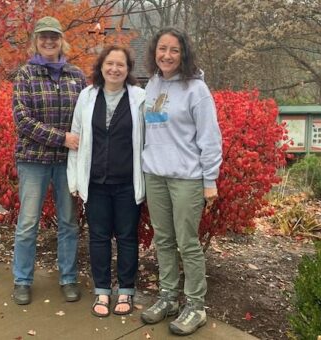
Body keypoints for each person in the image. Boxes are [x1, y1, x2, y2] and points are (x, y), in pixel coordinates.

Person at [139, 27, 222, 336]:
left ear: (183, 53)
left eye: (174, 50)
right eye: (162, 49)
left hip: (187, 177)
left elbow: (210, 138)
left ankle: (196, 306)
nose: (167, 55)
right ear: (154, 52)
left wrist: (209, 179)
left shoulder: (196, 89)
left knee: (187, 242)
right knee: (163, 239)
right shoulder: (152, 84)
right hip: (155, 174)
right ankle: (168, 297)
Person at [11, 16, 86, 306]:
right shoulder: (25, 75)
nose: (49, 41)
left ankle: (68, 278)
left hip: (67, 163)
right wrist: (62, 138)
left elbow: (85, 117)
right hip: (33, 161)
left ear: (62, 40)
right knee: (28, 222)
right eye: (43, 37)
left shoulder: (76, 76)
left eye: (54, 36)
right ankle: (22, 280)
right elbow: (23, 120)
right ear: (36, 41)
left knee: (68, 222)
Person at [67, 46, 145, 317]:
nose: (114, 69)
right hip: (96, 182)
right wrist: (75, 178)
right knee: (98, 238)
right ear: (101, 67)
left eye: (120, 65)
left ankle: (126, 290)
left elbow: (149, 139)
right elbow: (75, 138)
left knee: (127, 237)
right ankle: (102, 290)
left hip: (127, 182)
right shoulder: (87, 97)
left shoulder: (140, 98)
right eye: (109, 64)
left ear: (128, 69)